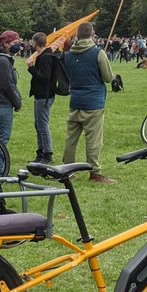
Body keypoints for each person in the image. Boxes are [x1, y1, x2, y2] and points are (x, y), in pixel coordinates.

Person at [62, 22, 116, 184]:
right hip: (93, 103)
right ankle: (95, 172)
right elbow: (108, 78)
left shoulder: (69, 55)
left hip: (75, 100)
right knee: (93, 140)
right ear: (92, 34)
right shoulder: (98, 53)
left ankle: (68, 170)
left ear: (77, 35)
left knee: (71, 139)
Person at [26, 32, 68, 163]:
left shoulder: (45, 57)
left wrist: (31, 68)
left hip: (44, 96)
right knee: (38, 124)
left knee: (43, 125)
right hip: (41, 95)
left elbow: (44, 78)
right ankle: (40, 152)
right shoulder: (45, 55)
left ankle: (47, 153)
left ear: (34, 43)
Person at [0, 30, 23, 178]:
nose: (18, 46)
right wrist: (17, 102)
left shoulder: (2, 59)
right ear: (6, 44)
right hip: (2, 104)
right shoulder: (2, 61)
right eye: (15, 43)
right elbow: (8, 85)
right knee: (1, 140)